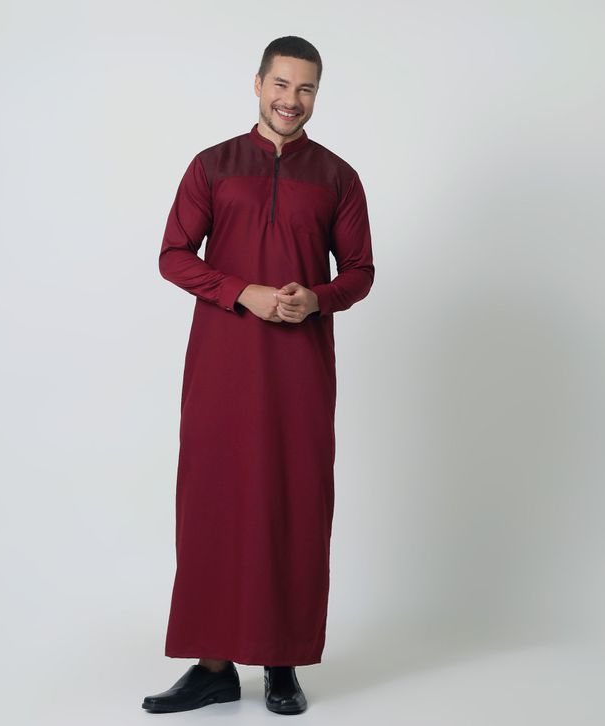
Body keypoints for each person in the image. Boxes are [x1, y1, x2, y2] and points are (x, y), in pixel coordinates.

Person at [142, 35, 374, 715]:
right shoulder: (213, 166)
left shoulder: (336, 177)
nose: (290, 100)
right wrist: (242, 291)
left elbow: (360, 271)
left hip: (300, 372)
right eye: (281, 84)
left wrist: (316, 299)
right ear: (257, 84)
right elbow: (173, 254)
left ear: (316, 95)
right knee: (213, 500)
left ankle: (281, 662)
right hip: (221, 365)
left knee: (292, 502)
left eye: (305, 89)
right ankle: (213, 666)